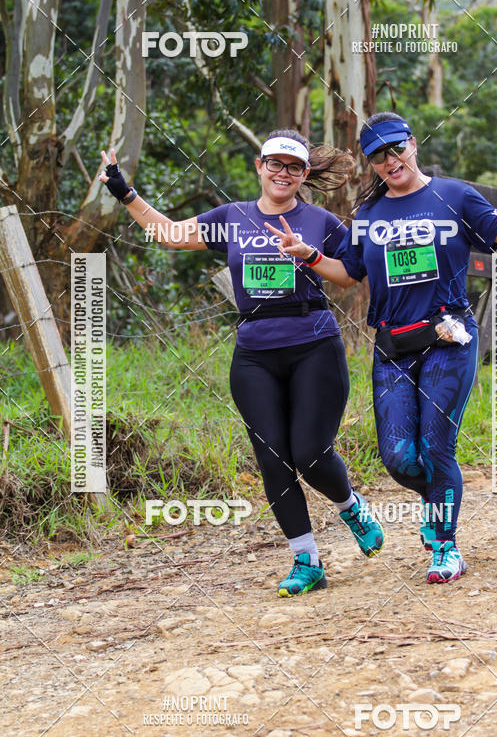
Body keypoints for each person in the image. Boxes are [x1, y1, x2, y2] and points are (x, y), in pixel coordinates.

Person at [98, 130, 384, 597]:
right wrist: (124, 192)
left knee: (309, 452)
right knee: (273, 457)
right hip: (254, 353)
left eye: (293, 167)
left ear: (304, 175)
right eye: (275, 163)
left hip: (313, 343)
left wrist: (309, 256)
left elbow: (353, 275)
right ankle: (306, 560)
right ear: (259, 165)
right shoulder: (231, 218)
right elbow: (169, 233)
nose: (283, 173)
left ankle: (350, 505)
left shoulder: (322, 222)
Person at [264, 112, 497, 584]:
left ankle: (444, 546)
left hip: (447, 337)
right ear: (372, 164)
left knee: (437, 447)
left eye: (396, 149)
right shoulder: (369, 214)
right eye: (378, 156)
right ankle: (439, 499)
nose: (391, 161)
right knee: (398, 458)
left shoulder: (453, 195)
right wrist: (308, 256)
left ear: (413, 144)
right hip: (392, 344)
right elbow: (349, 273)